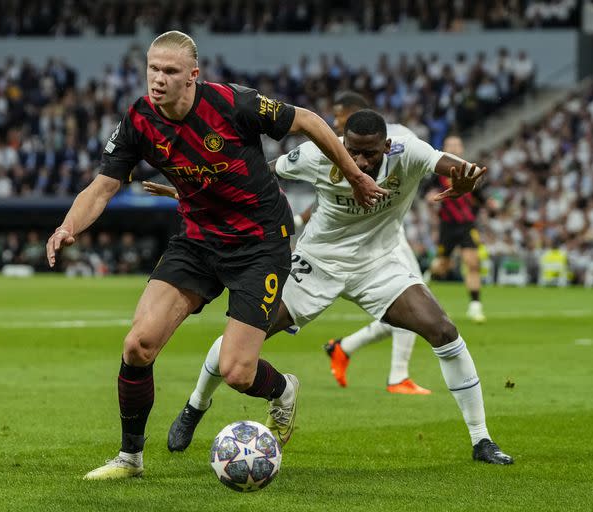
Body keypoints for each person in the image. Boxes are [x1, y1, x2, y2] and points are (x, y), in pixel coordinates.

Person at [45, 31, 388, 481]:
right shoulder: (139, 119)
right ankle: (130, 458)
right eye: (153, 69)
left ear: (192, 76)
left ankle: (283, 390)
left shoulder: (232, 104)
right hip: (197, 240)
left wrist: (355, 177)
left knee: (237, 372)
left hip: (259, 243)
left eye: (170, 71)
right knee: (138, 344)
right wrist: (68, 226)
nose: (158, 79)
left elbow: (309, 121)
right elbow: (103, 186)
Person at [148, 109, 513, 465]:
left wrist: (468, 178)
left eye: (369, 152)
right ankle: (196, 405)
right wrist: (194, 191)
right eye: (351, 149)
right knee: (242, 337)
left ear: (386, 146)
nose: (359, 159)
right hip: (316, 263)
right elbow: (257, 174)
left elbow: (453, 165)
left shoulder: (408, 152)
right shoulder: (317, 154)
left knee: (444, 330)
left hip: (379, 264)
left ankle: (482, 439)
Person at [308, 91, 432, 394]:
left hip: (386, 235)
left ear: (352, 113)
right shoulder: (338, 148)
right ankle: (394, 374)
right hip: (351, 240)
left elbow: (417, 167)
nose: (334, 121)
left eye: (338, 114)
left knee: (412, 302)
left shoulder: (402, 137)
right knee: (411, 303)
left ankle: (348, 349)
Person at [427, 135, 488, 323]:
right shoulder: (436, 173)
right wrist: (431, 198)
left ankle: (475, 306)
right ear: (444, 147)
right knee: (442, 266)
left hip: (467, 225)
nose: (453, 148)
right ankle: (425, 278)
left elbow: (480, 196)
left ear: (462, 148)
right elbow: (427, 193)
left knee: (472, 262)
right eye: (450, 145)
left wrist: (489, 203)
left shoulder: (470, 171)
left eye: (456, 145)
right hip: (447, 226)